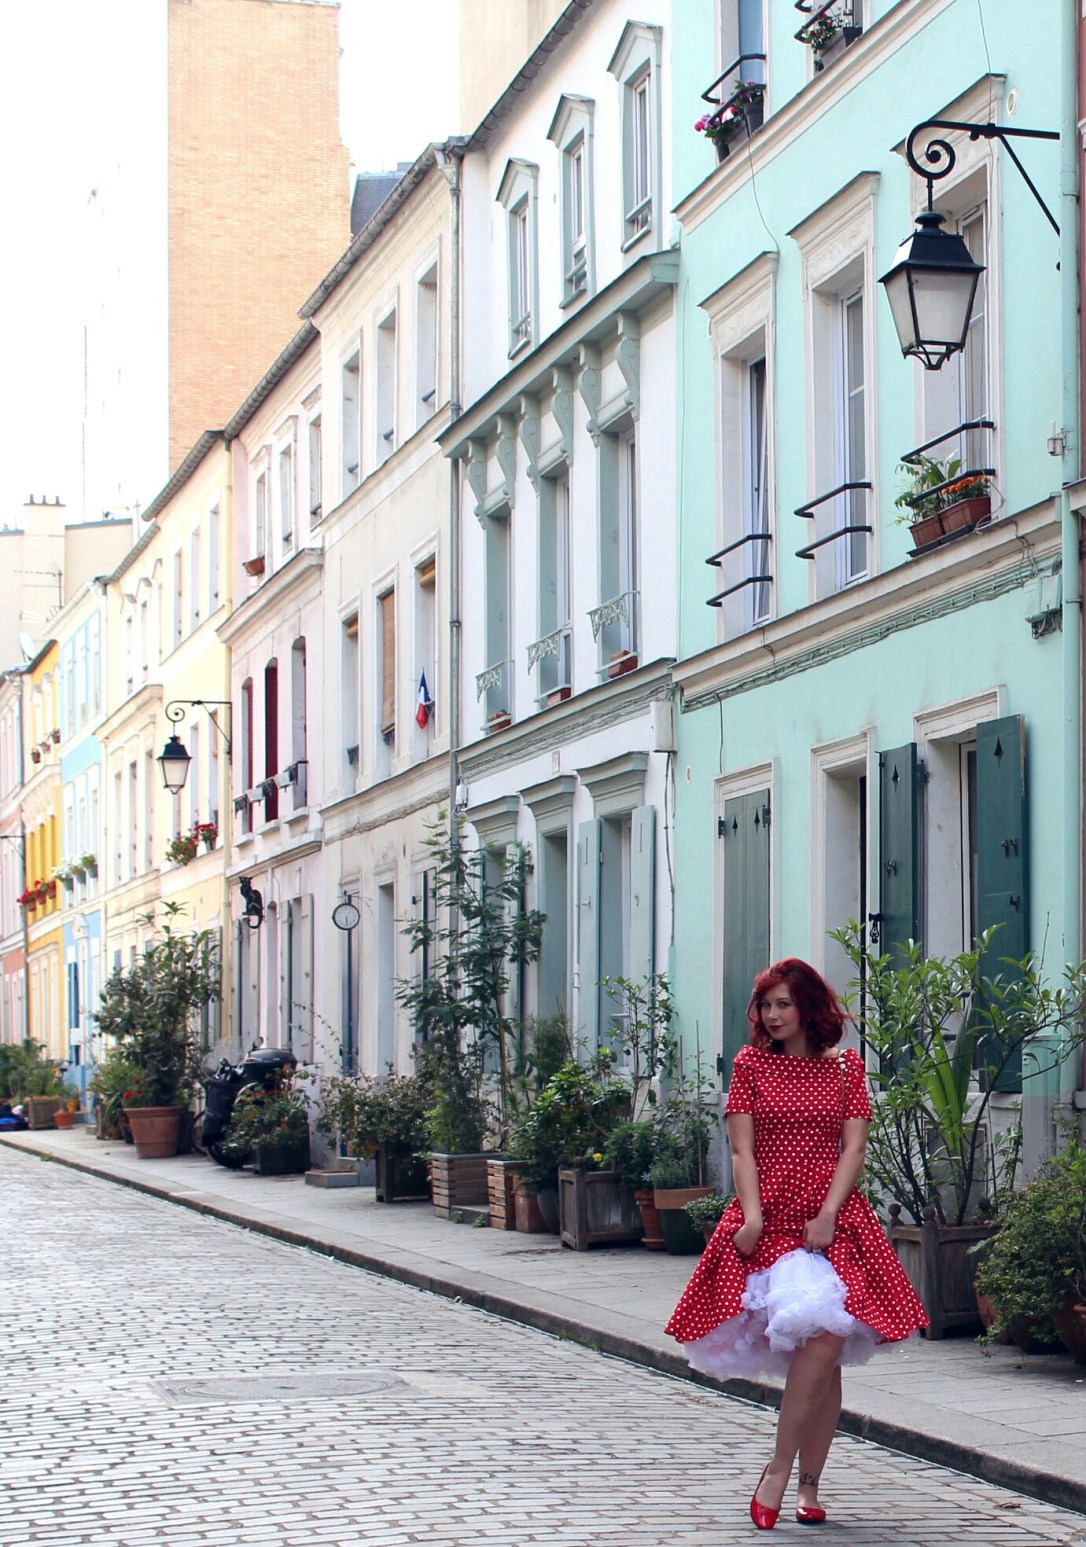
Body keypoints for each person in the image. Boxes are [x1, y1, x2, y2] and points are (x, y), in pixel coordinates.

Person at [664, 958, 927, 1530]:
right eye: (766, 1005)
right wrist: (752, 1216)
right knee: (819, 1346)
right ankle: (788, 1474)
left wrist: (830, 1213)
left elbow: (853, 1149)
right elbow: (741, 1151)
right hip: (771, 1219)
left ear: (808, 1006)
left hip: (831, 1222)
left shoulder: (845, 1069)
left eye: (784, 1003)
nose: (773, 1015)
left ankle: (796, 1478)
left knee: (827, 1343)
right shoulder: (751, 1064)